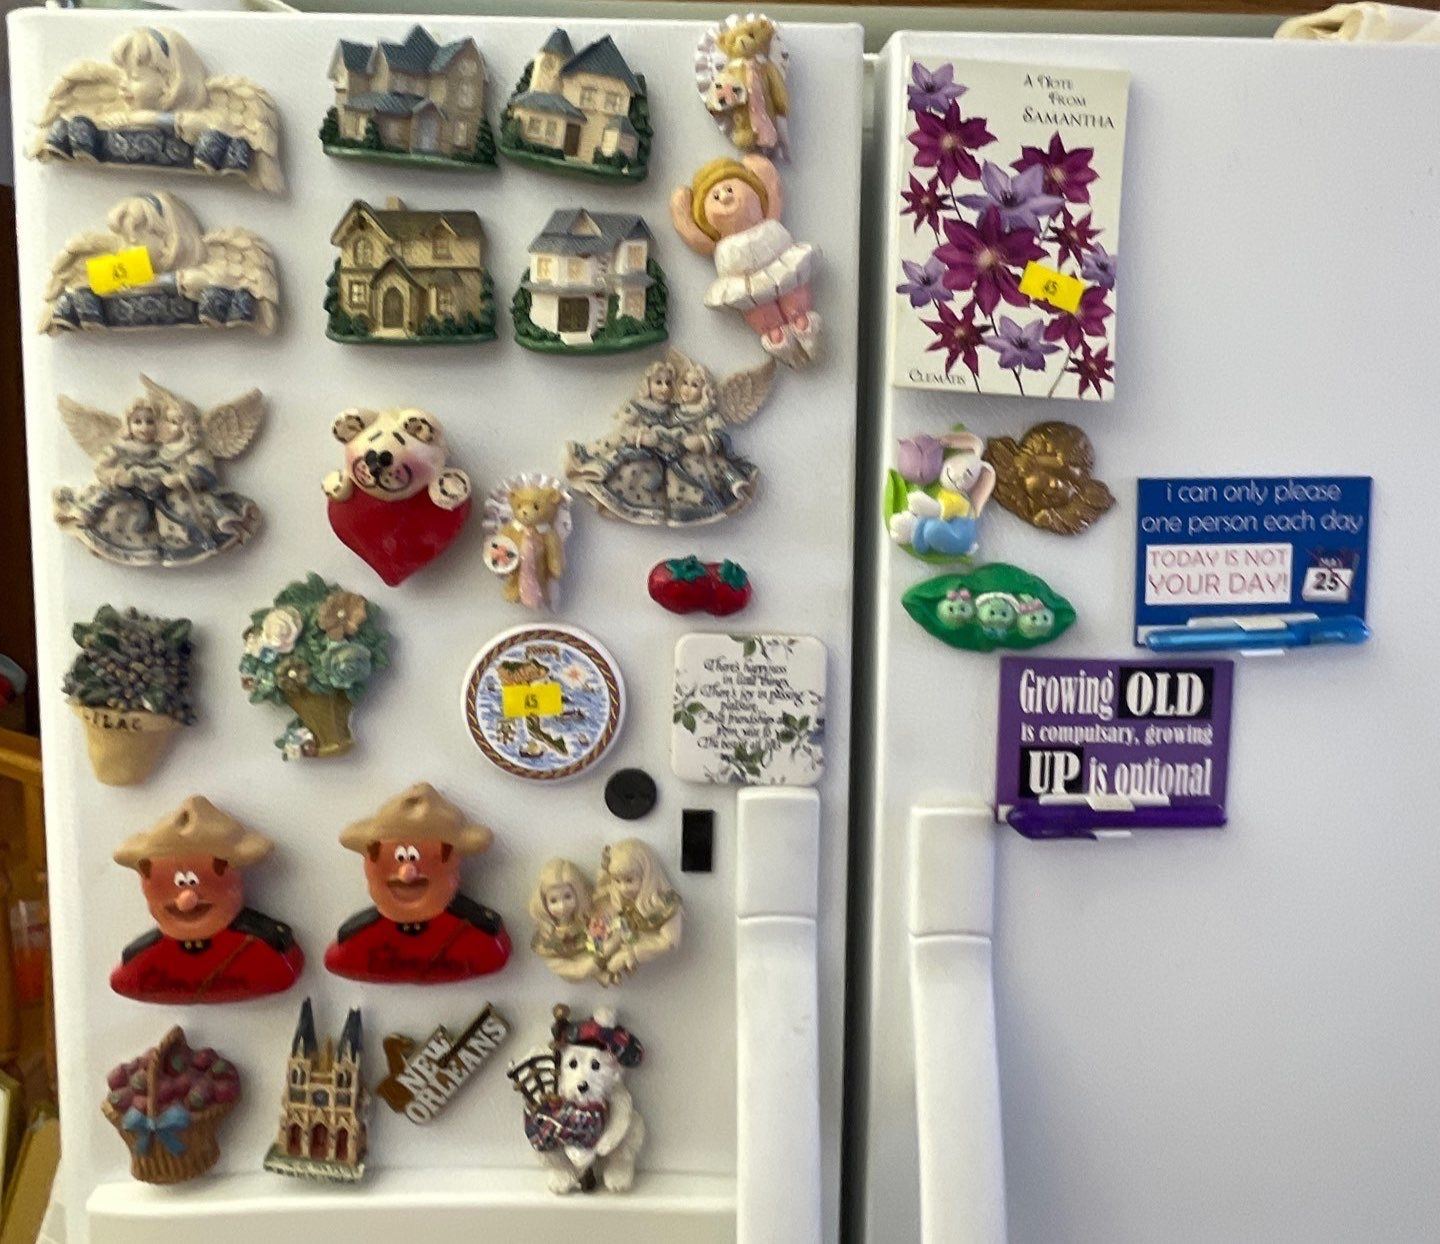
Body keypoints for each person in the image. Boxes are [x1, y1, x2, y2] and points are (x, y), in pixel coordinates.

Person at [110, 796, 303, 1004]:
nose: (186, 899)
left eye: (194, 882)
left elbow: (280, 971)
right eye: (171, 882)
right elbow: (123, 982)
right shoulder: (141, 961)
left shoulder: (261, 947)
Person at [324, 783, 510, 984]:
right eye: (396, 857)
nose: (407, 874)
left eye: (418, 857)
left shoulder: (478, 935)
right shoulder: (357, 941)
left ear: (452, 860)